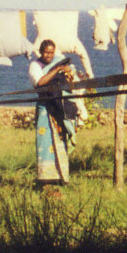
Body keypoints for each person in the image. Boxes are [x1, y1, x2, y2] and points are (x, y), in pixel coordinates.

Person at [28, 38, 77, 189]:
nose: (49, 55)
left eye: (51, 52)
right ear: (41, 52)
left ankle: (60, 177)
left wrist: (68, 76)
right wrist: (56, 70)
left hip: (58, 106)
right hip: (45, 107)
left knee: (60, 141)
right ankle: (45, 180)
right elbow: (40, 83)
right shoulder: (35, 65)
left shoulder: (58, 63)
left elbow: (69, 86)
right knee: (45, 142)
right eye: (46, 52)